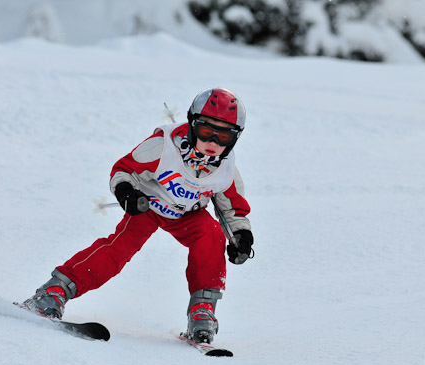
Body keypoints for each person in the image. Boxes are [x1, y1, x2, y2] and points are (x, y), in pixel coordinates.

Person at [22, 87, 254, 344]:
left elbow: (233, 208)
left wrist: (240, 236)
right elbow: (123, 170)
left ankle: (203, 311)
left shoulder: (226, 170)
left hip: (189, 215)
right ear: (192, 125)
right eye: (206, 132)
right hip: (148, 206)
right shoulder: (163, 147)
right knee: (119, 248)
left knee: (211, 235)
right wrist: (126, 193)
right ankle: (55, 291)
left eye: (224, 137)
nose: (214, 143)